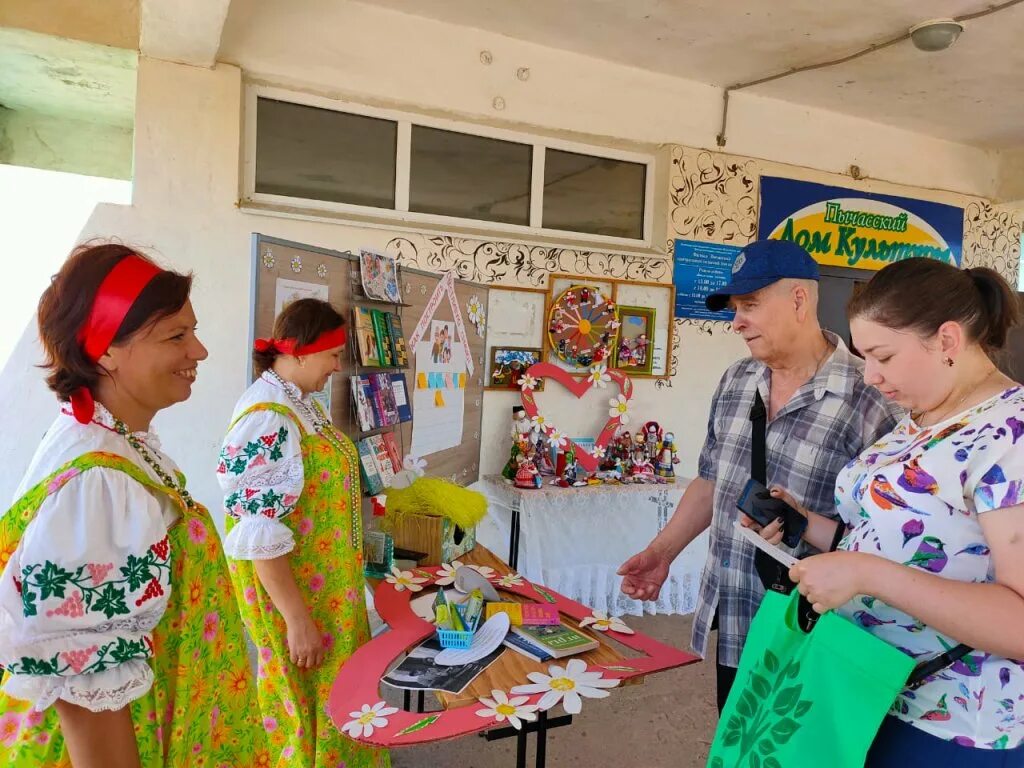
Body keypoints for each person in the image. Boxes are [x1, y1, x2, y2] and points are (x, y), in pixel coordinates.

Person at [0, 243, 267, 767]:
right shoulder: (99, 483)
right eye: (176, 335)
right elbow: (87, 694)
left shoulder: (111, 444)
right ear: (104, 350)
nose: (200, 351)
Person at [750, 258, 1024, 763]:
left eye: (883, 357)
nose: (871, 377)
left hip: (949, 721)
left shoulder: (1010, 436)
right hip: (864, 685)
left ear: (946, 340)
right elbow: (889, 541)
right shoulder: (923, 417)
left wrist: (865, 573)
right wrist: (805, 524)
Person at [618, 239, 900, 712]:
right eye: (734, 308)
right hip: (735, 611)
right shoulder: (735, 381)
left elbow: (889, 539)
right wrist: (662, 552)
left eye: (750, 305)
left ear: (799, 301)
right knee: (738, 745)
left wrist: (804, 522)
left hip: (812, 626)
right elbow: (711, 480)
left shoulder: (870, 397)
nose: (737, 322)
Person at [217, 298, 389, 768]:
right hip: (300, 595)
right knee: (300, 706)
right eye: (332, 355)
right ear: (299, 352)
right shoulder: (266, 417)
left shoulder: (296, 406)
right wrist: (297, 620)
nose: (337, 367)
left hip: (325, 588)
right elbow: (259, 533)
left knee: (335, 699)